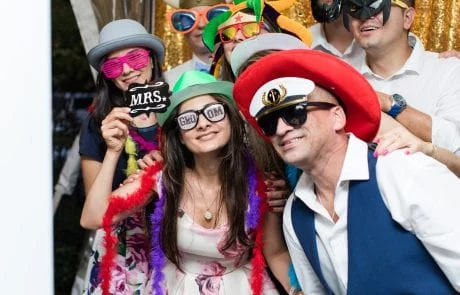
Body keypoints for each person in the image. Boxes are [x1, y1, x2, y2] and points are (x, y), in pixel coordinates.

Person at [233, 49, 460, 293]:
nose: (281, 129)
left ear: (337, 117)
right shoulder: (295, 214)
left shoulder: (399, 169)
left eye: (295, 114)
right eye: (269, 122)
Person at [104, 70, 296, 294]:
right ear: (180, 137)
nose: (203, 123)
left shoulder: (261, 184)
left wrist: (298, 291)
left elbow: (275, 252)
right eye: (188, 119)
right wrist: (112, 152)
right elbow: (94, 217)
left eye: (213, 112)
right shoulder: (163, 179)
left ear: (231, 120)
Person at [79, 18, 165, 294]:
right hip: (121, 254)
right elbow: (94, 209)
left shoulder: (182, 111)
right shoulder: (97, 124)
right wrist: (113, 150)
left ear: (152, 60)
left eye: (136, 57)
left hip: (181, 243)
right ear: (107, 75)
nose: (127, 70)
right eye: (114, 65)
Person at [343, 0, 460, 156]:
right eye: (355, 7)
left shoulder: (448, 71)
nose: (365, 16)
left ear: (407, 18)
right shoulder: (340, 78)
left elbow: (454, 142)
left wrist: (390, 104)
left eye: (376, 5)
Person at [202, 0, 312, 81]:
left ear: (274, 35)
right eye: (228, 33)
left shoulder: (303, 83)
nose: (237, 37)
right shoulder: (221, 102)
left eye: (250, 28)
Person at [163, 0, 230, 86]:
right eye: (189, 19)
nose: (201, 25)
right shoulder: (168, 82)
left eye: (212, 16)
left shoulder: (243, 72)